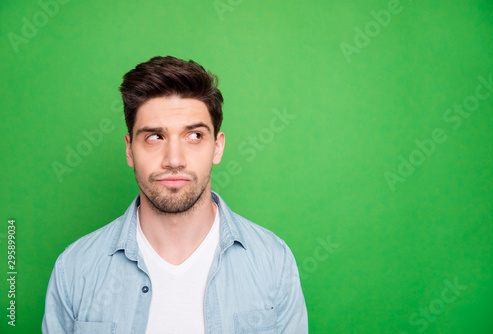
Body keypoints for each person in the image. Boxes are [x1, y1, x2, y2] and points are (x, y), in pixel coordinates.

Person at [42, 56, 307, 333]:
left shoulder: (274, 263)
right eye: (155, 137)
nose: (174, 160)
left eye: (194, 136)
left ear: (217, 147)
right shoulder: (74, 269)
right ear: (130, 150)